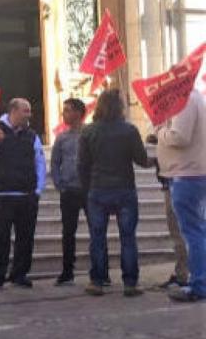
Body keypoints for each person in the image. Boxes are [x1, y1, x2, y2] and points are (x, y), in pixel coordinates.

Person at [78, 89, 151, 297]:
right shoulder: (129, 130)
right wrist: (155, 160)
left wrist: (87, 188)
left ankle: (97, 281)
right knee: (128, 237)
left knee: (97, 237)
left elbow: (82, 164)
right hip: (125, 189)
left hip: (97, 189)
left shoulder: (88, 131)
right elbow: (141, 160)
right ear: (120, 107)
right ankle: (130, 283)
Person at [0, 98, 46, 290]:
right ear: (13, 111)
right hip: (4, 193)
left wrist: (38, 190)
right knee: (1, 237)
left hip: (27, 194)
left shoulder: (32, 135)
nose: (29, 115)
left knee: (25, 237)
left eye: (29, 111)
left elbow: (40, 163)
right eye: (25, 111)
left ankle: (19, 274)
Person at [153, 88, 206, 303]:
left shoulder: (184, 100)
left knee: (193, 233)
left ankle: (199, 284)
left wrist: (160, 131)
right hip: (193, 172)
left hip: (187, 174)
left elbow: (181, 136)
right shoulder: (197, 98)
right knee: (198, 231)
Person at [50, 98, 88, 286]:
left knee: (96, 230)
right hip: (69, 190)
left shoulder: (89, 134)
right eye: (63, 110)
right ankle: (67, 271)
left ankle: (101, 270)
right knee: (68, 232)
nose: (64, 114)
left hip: (89, 190)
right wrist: (59, 183)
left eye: (68, 110)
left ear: (79, 113)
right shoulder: (61, 138)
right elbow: (55, 162)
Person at [146, 133, 189, 290]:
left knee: (179, 232)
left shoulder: (178, 125)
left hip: (176, 182)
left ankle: (183, 274)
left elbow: (179, 142)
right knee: (181, 232)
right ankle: (184, 272)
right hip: (176, 181)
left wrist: (160, 137)